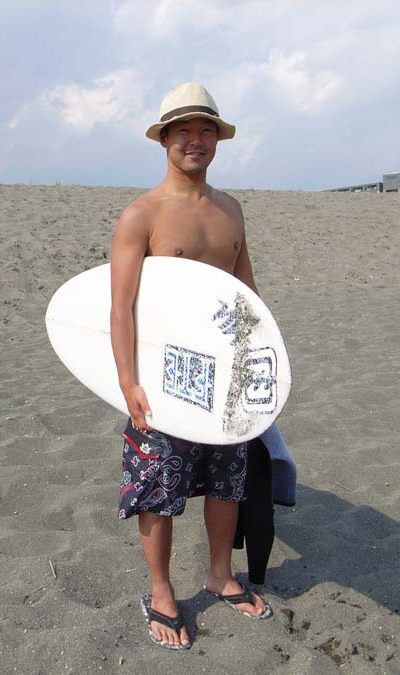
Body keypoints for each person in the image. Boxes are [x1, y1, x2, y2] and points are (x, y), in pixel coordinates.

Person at [110, 82, 273, 651]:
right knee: (158, 486)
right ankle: (161, 592)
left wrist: (260, 370)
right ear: (164, 140)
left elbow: (248, 298)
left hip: (223, 373)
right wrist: (128, 382)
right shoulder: (142, 215)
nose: (195, 140)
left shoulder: (231, 210)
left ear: (218, 140)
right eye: (184, 131)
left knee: (227, 481)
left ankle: (220, 575)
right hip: (163, 374)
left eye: (206, 130)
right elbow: (121, 307)